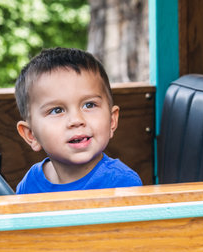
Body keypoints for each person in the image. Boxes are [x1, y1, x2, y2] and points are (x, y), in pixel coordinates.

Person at [14, 47, 143, 194]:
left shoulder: (122, 184)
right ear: (31, 135)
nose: (76, 120)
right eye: (57, 110)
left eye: (89, 105)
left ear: (111, 121)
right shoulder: (29, 184)